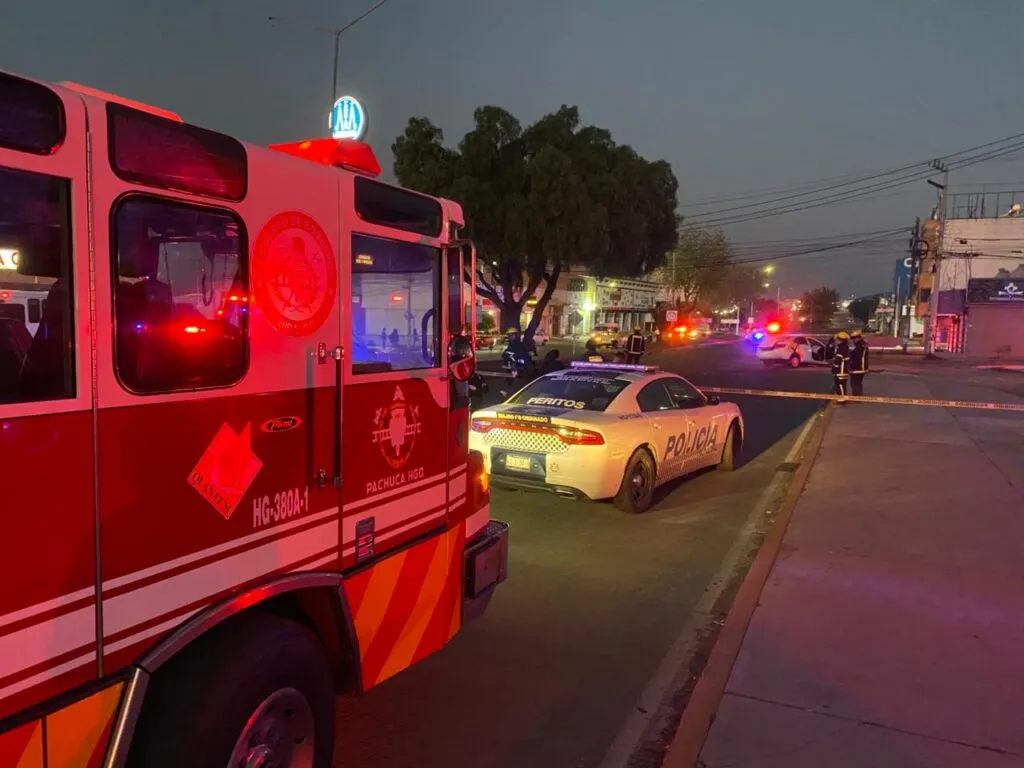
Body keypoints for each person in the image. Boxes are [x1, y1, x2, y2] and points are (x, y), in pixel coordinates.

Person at [831, 331, 851, 400]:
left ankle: (841, 400)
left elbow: (837, 362)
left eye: (837, 340)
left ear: (840, 340)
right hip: (844, 370)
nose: (836, 341)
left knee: (839, 385)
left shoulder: (840, 349)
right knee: (842, 385)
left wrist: (833, 369)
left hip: (840, 371)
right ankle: (843, 399)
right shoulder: (845, 347)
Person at [849, 329, 869, 396]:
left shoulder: (860, 346)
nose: (853, 340)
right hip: (861, 368)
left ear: (858, 338)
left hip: (858, 368)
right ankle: (859, 396)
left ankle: (856, 398)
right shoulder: (862, 345)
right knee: (858, 383)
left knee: (855, 383)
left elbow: (857, 357)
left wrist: (850, 362)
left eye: (854, 339)